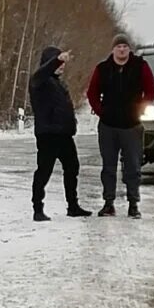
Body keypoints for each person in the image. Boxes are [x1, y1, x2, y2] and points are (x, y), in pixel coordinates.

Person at [84, 33, 154, 219]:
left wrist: (140, 108)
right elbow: (92, 93)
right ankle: (108, 203)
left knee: (133, 166)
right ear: (113, 49)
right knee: (108, 167)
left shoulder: (140, 66)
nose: (122, 49)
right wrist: (101, 111)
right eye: (118, 46)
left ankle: (133, 204)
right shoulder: (103, 68)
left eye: (125, 46)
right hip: (108, 125)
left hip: (132, 125)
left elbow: (151, 90)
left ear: (129, 49)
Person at [29, 46, 91, 222]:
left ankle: (73, 206)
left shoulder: (58, 83)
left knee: (72, 168)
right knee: (44, 171)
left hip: (64, 134)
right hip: (48, 134)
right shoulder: (39, 81)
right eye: (59, 62)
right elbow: (42, 72)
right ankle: (37, 209)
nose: (62, 66)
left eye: (63, 63)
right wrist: (57, 59)